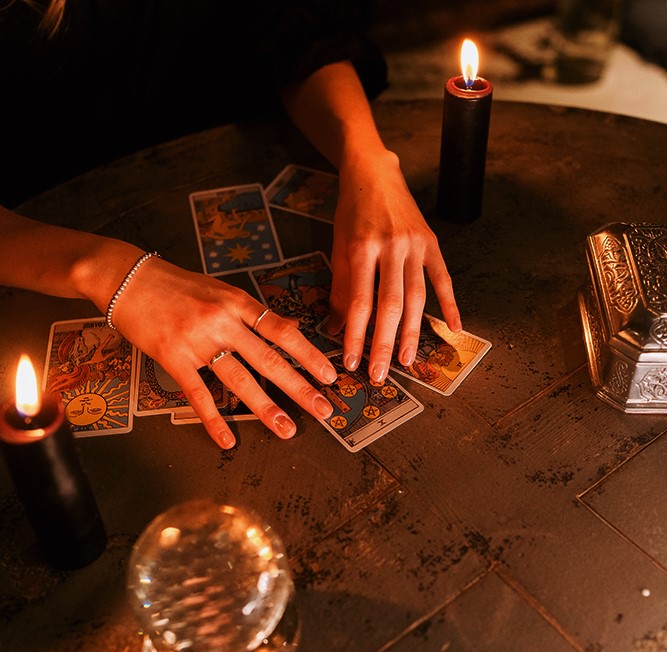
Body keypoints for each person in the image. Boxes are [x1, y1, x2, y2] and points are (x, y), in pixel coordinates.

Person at [0, 0, 461, 449]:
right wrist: (105, 270)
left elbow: (294, 27)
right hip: (39, 235)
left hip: (237, 145)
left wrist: (369, 159)